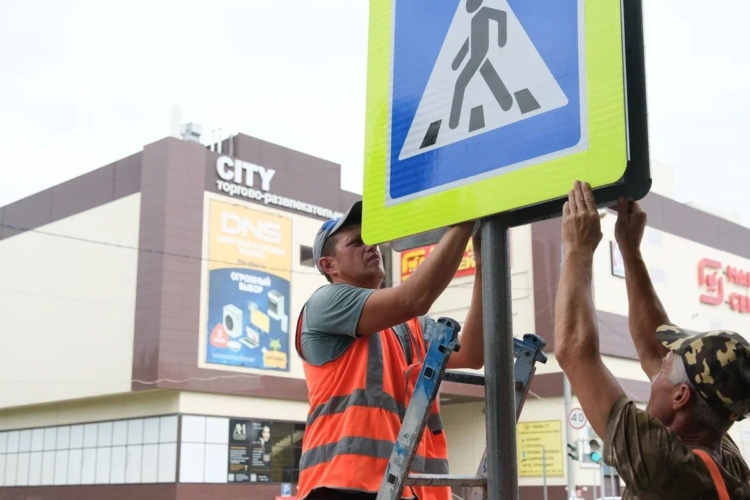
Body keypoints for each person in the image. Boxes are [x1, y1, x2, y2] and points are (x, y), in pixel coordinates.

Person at [554, 181, 750, 499]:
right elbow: (653, 348)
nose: (656, 371)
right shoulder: (725, 458)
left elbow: (575, 352)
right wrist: (630, 250)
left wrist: (577, 248)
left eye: (663, 372)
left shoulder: (662, 462)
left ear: (681, 397)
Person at [294, 200, 486, 500]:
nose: (371, 246)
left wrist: (485, 264)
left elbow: (473, 355)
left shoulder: (410, 325)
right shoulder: (325, 304)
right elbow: (413, 298)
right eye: (356, 242)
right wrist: (466, 217)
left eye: (371, 239)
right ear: (328, 265)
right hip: (340, 486)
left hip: (402, 489)